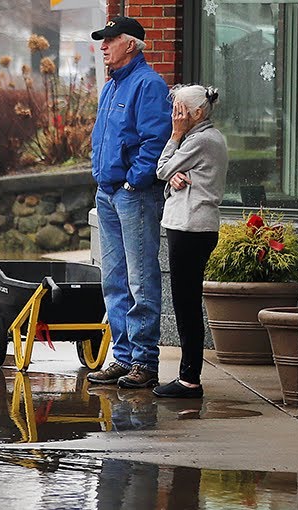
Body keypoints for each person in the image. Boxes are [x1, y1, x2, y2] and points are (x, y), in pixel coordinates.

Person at [87, 16, 172, 389]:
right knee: (114, 281)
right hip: (107, 192)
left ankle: (144, 362)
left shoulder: (149, 85)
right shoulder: (110, 87)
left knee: (140, 280)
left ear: (132, 44)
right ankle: (122, 359)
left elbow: (156, 140)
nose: (103, 45)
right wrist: (101, 174)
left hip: (132, 195)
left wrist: (134, 182)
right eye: (102, 40)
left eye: (110, 39)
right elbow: (101, 138)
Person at [152, 85, 228, 399]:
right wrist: (174, 179)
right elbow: (171, 178)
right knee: (185, 302)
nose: (176, 116)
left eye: (181, 110)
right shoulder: (204, 140)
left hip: (190, 228)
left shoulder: (201, 139)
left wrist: (173, 137)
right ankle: (188, 375)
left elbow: (160, 168)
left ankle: (189, 379)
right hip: (192, 225)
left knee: (186, 304)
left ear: (197, 113)